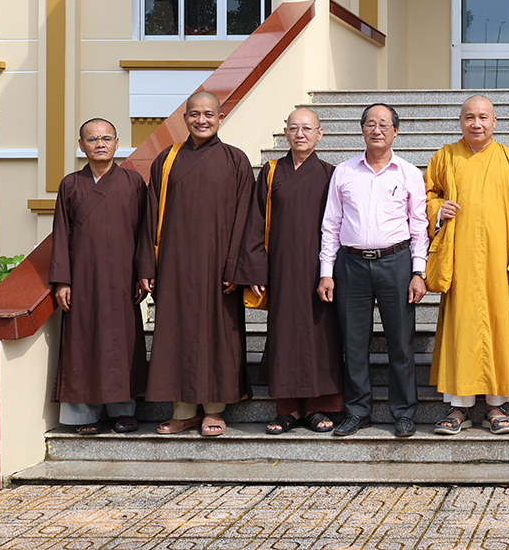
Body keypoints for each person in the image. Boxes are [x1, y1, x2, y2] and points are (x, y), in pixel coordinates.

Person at [135, 90, 254, 437]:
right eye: (195, 114)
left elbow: (247, 219)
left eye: (209, 114)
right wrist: (147, 266)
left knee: (219, 336)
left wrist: (237, 267)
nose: (202, 120)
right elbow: (150, 216)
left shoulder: (236, 160)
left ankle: (214, 410)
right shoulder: (167, 159)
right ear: (185, 118)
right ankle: (183, 411)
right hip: (175, 265)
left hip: (220, 268)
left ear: (220, 118)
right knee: (177, 334)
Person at [317, 103, 429, 438]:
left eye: (383, 124)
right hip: (351, 265)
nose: (376, 130)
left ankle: (404, 413)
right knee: (353, 344)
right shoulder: (344, 172)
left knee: (401, 343)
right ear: (362, 129)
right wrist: (326, 271)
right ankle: (357, 412)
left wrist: (418, 272)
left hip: (396, 262)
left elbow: (419, 226)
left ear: (396, 130)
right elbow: (331, 225)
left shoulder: (408, 173)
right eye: (370, 124)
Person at [235, 108, 343, 435]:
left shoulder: (331, 174)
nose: (300, 134)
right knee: (284, 335)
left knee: (321, 336)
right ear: (285, 133)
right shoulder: (270, 172)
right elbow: (255, 222)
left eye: (307, 129)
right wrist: (256, 269)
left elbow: (341, 224)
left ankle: (316, 407)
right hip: (281, 267)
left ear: (320, 134)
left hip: (320, 268)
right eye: (294, 128)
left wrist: (333, 270)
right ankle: (287, 409)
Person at [425, 95, 509, 435]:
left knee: (500, 328)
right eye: (469, 117)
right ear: (460, 121)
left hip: (500, 262)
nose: (476, 123)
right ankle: (459, 407)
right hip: (461, 260)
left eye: (483, 117)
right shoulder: (445, 157)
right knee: (461, 329)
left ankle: (496, 407)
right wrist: (438, 209)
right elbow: (426, 196)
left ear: (494, 121)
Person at [48, 118, 148, 435]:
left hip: (123, 277)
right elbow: (60, 234)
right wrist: (62, 280)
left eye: (106, 138)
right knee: (83, 341)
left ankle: (124, 410)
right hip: (84, 278)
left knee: (122, 342)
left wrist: (144, 273)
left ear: (117, 143)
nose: (100, 144)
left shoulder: (133, 182)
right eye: (92, 139)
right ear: (82, 146)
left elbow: (145, 232)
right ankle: (82, 415)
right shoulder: (70, 185)